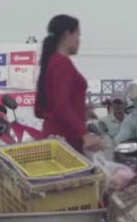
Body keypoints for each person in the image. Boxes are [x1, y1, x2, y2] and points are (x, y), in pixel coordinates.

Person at [34, 14, 101, 153]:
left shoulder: (54, 62)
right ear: (67, 34)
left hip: (59, 137)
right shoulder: (61, 63)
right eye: (78, 35)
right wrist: (85, 134)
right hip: (65, 141)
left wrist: (82, 111)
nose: (79, 41)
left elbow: (54, 106)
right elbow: (61, 106)